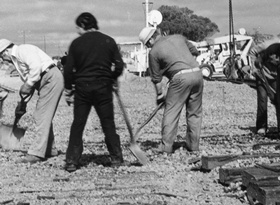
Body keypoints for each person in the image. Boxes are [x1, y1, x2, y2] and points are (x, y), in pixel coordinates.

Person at [63, 12, 124, 172]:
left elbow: (68, 70)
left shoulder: (76, 43)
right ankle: (116, 158)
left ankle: (71, 161)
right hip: (103, 88)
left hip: (82, 88)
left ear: (83, 26)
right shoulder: (109, 41)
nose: (77, 31)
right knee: (108, 123)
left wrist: (68, 89)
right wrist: (111, 78)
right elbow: (119, 66)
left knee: (78, 124)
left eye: (78, 28)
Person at [139, 23, 203, 158]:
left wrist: (160, 95)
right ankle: (193, 146)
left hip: (180, 79)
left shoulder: (154, 52)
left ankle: (166, 146)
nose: (148, 47)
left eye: (147, 44)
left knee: (171, 112)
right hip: (197, 74)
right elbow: (195, 52)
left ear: (151, 39)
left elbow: (156, 79)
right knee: (194, 113)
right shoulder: (178, 38)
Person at [0, 39, 64, 163]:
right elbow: (28, 85)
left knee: (41, 115)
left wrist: (28, 85)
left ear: (6, 51)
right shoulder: (17, 61)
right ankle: (50, 149)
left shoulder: (22, 50)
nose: (2, 60)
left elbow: (35, 68)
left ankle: (37, 153)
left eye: (1, 56)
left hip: (50, 78)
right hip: (44, 81)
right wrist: (22, 104)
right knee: (44, 115)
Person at [251, 54, 278, 136]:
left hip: (275, 77)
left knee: (278, 101)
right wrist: (254, 68)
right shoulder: (262, 44)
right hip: (261, 75)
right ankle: (261, 126)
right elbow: (252, 53)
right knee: (262, 99)